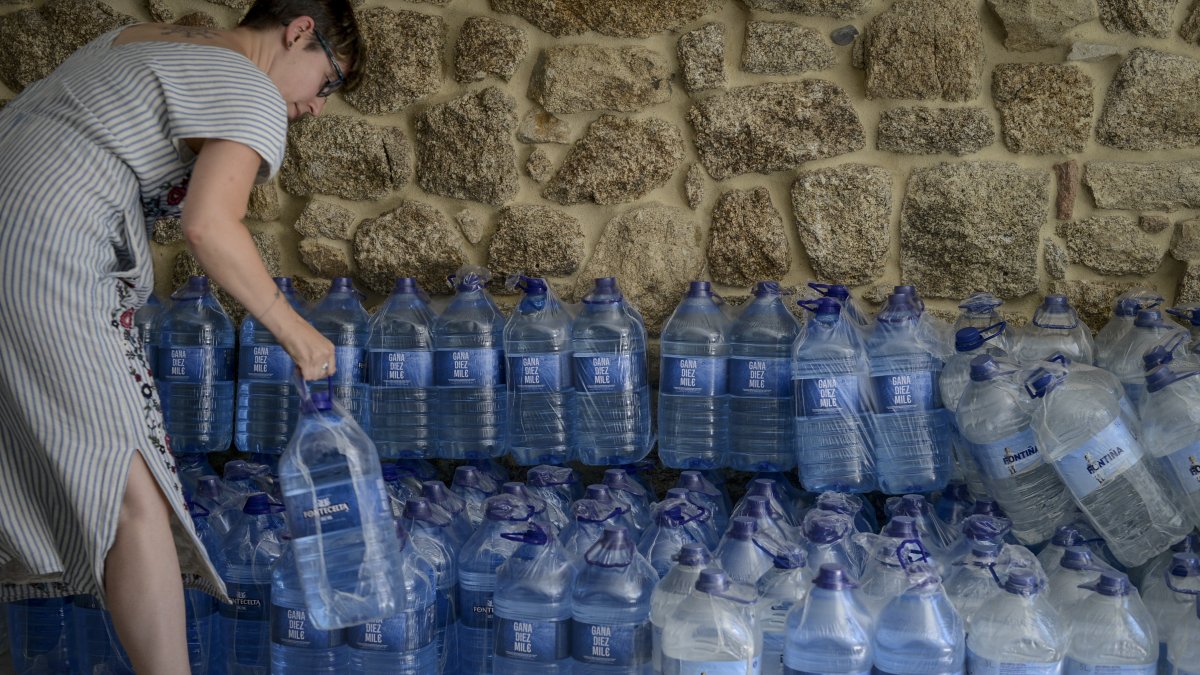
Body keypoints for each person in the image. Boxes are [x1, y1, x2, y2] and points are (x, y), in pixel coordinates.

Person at [0, 0, 362, 671]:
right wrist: (300, 336)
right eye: (329, 81)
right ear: (299, 31)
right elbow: (209, 226)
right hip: (41, 246)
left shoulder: (138, 39)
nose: (317, 106)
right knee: (130, 487)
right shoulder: (250, 85)